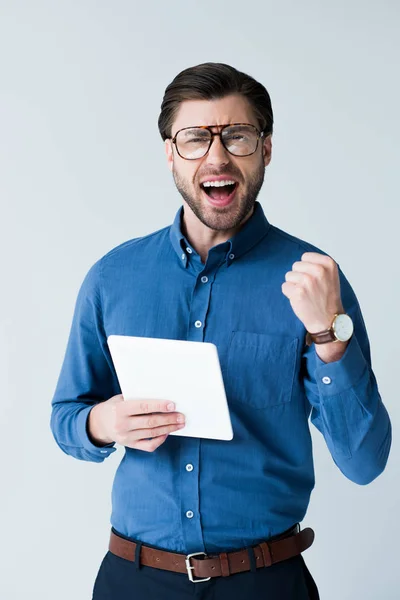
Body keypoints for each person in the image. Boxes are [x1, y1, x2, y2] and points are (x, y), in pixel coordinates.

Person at [50, 62, 392, 600]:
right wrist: (101, 422)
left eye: (237, 136)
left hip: (266, 584)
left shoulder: (316, 280)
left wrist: (329, 338)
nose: (217, 156)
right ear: (170, 153)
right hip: (132, 582)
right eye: (195, 138)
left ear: (266, 148)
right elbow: (65, 417)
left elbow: (365, 462)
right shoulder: (111, 278)